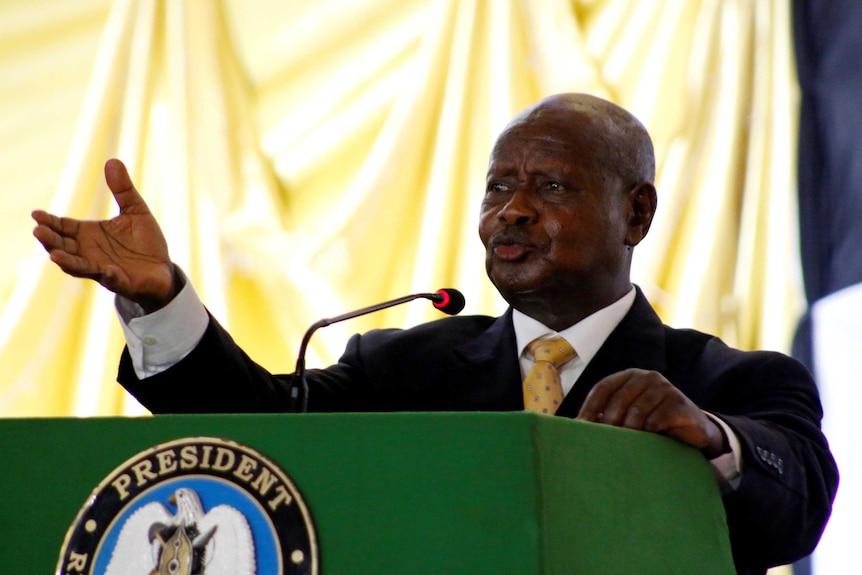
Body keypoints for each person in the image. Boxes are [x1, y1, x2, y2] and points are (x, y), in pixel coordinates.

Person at [32, 93, 837, 575]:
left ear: (636, 213)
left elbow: (796, 502)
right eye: (497, 187)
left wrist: (708, 435)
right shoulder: (400, 368)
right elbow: (262, 431)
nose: (511, 211)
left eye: (549, 185)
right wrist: (163, 300)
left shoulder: (731, 382)